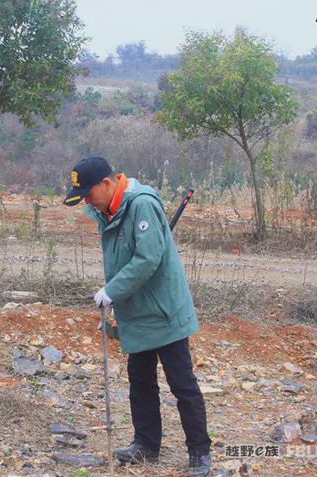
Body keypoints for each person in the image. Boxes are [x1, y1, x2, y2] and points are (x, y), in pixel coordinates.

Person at [62, 157, 211, 476]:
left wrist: (112, 290)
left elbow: (147, 259)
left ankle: (200, 452)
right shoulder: (107, 210)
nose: (86, 201)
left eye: (88, 194)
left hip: (163, 308)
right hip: (136, 310)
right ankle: (146, 443)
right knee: (140, 381)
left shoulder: (141, 204)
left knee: (182, 383)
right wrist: (115, 303)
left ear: (107, 183)